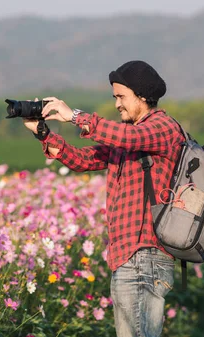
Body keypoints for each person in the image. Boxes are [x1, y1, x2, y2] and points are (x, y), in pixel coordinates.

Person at [23, 60, 185, 337]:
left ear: (143, 96)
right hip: (126, 257)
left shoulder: (162, 128)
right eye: (115, 97)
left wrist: (73, 115)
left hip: (144, 255)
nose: (117, 104)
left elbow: (128, 138)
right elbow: (84, 159)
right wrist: (43, 133)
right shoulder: (130, 137)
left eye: (122, 96)